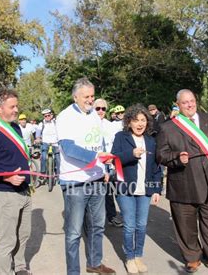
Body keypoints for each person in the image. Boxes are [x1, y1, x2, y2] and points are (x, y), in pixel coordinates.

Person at [156, 89, 208, 274]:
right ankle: (192, 258)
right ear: (177, 105)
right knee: (186, 225)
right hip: (184, 184)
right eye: (185, 103)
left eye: (192, 101)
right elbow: (160, 155)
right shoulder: (168, 127)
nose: (189, 105)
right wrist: (176, 158)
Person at [56, 77, 115, 275]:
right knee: (73, 233)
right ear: (75, 97)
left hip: (97, 179)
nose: (90, 100)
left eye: (92, 96)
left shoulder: (93, 116)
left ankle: (95, 263)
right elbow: (68, 147)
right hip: (75, 183)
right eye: (86, 97)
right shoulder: (65, 117)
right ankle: (73, 271)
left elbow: (100, 144)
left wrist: (105, 168)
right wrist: (96, 158)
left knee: (97, 225)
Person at [0, 89, 32, 275]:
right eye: (12, 107)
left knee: (23, 235)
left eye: (17, 105)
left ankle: (20, 268)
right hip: (4, 194)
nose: (16, 110)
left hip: (24, 192)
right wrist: (6, 176)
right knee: (7, 240)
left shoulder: (16, 127)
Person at [111, 104, 162, 274]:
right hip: (126, 189)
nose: (140, 124)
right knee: (130, 226)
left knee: (141, 225)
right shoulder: (121, 137)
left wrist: (156, 190)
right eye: (136, 120)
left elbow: (156, 168)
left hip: (145, 190)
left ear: (147, 123)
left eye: (143, 120)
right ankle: (130, 258)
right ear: (129, 122)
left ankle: (138, 255)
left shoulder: (151, 141)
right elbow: (114, 159)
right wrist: (131, 154)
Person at [93, 98, 123, 228]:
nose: (100, 111)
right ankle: (92, 221)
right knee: (95, 195)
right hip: (94, 166)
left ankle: (111, 217)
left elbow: (116, 145)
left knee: (111, 191)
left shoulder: (110, 125)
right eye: (97, 108)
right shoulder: (87, 124)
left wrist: (115, 161)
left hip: (110, 164)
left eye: (103, 108)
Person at [35, 108, 60, 175]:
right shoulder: (41, 124)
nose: (47, 117)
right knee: (43, 157)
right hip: (45, 143)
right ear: (43, 116)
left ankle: (58, 175)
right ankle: (43, 173)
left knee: (58, 159)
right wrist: (38, 138)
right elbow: (38, 133)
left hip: (55, 143)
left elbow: (60, 131)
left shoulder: (55, 122)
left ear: (51, 115)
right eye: (45, 116)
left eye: (48, 115)